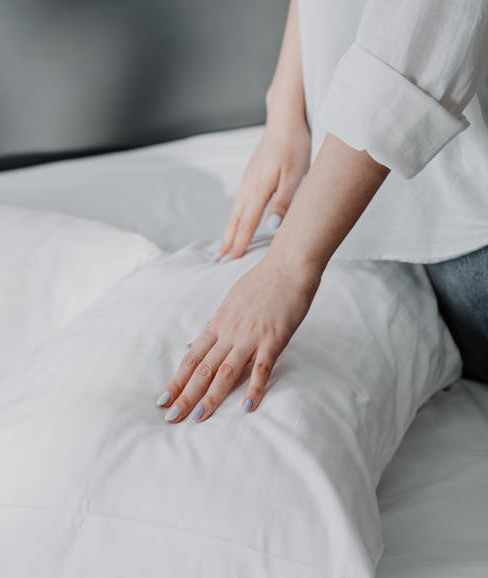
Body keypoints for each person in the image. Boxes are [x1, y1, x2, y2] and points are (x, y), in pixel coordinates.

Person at [157, 0, 488, 423]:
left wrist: (288, 265)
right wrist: (286, 110)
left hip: (467, 231)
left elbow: (429, 22)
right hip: (359, 209)